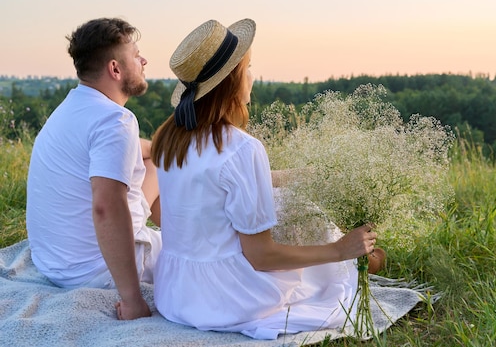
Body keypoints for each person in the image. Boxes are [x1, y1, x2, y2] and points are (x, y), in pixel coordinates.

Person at [150, 18, 378, 340]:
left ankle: (360, 260)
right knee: (307, 223)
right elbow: (261, 257)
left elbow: (214, 186)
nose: (252, 78)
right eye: (249, 68)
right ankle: (361, 257)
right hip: (228, 300)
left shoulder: (170, 138)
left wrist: (306, 176)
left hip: (176, 294)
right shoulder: (242, 148)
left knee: (288, 197)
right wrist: (340, 249)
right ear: (233, 80)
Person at [26, 17, 162, 320]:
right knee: (200, 257)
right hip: (96, 272)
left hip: (55, 263)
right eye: (135, 55)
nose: (143, 61)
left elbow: (128, 149)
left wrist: (156, 149)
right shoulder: (115, 121)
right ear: (115, 69)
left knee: (157, 164)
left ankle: (160, 228)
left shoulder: (71, 109)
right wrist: (132, 299)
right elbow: (105, 207)